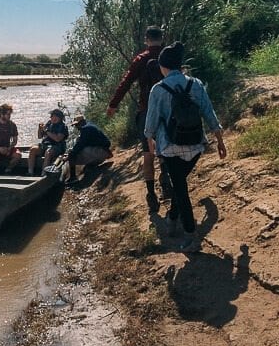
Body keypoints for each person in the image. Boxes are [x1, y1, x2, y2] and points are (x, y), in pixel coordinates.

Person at [144, 41, 227, 253]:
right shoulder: (196, 84)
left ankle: (191, 235)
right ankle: (172, 217)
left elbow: (151, 121)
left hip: (170, 147)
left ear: (163, 66)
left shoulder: (158, 89)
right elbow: (209, 113)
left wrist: (149, 141)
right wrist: (219, 140)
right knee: (180, 183)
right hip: (195, 146)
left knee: (180, 188)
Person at [106, 25, 171, 216]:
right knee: (167, 149)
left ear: (146, 39)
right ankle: (166, 178)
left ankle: (151, 195)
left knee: (148, 153)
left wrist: (113, 104)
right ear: (162, 38)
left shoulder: (141, 59)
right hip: (168, 111)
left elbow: (126, 81)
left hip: (146, 111)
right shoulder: (168, 57)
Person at [66, 114, 112, 184]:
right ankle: (92, 164)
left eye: (77, 125)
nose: (76, 127)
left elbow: (80, 145)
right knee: (77, 147)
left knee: (72, 155)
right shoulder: (89, 125)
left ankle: (73, 177)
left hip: (102, 152)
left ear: (82, 122)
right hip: (103, 151)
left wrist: (70, 155)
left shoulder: (86, 129)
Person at [28, 108, 69, 175]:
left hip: (56, 146)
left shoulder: (63, 126)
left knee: (48, 152)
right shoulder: (49, 123)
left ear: (60, 118)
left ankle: (44, 173)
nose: (54, 118)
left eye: (56, 117)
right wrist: (40, 129)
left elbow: (57, 139)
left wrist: (46, 131)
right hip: (45, 145)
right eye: (53, 116)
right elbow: (40, 136)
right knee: (33, 149)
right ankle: (30, 172)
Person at [0, 103, 22, 173]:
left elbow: (15, 140)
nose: (9, 116)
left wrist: (9, 148)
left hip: (7, 147)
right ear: (2, 114)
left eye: (10, 114)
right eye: (8, 114)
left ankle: (8, 170)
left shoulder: (12, 125)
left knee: (18, 155)